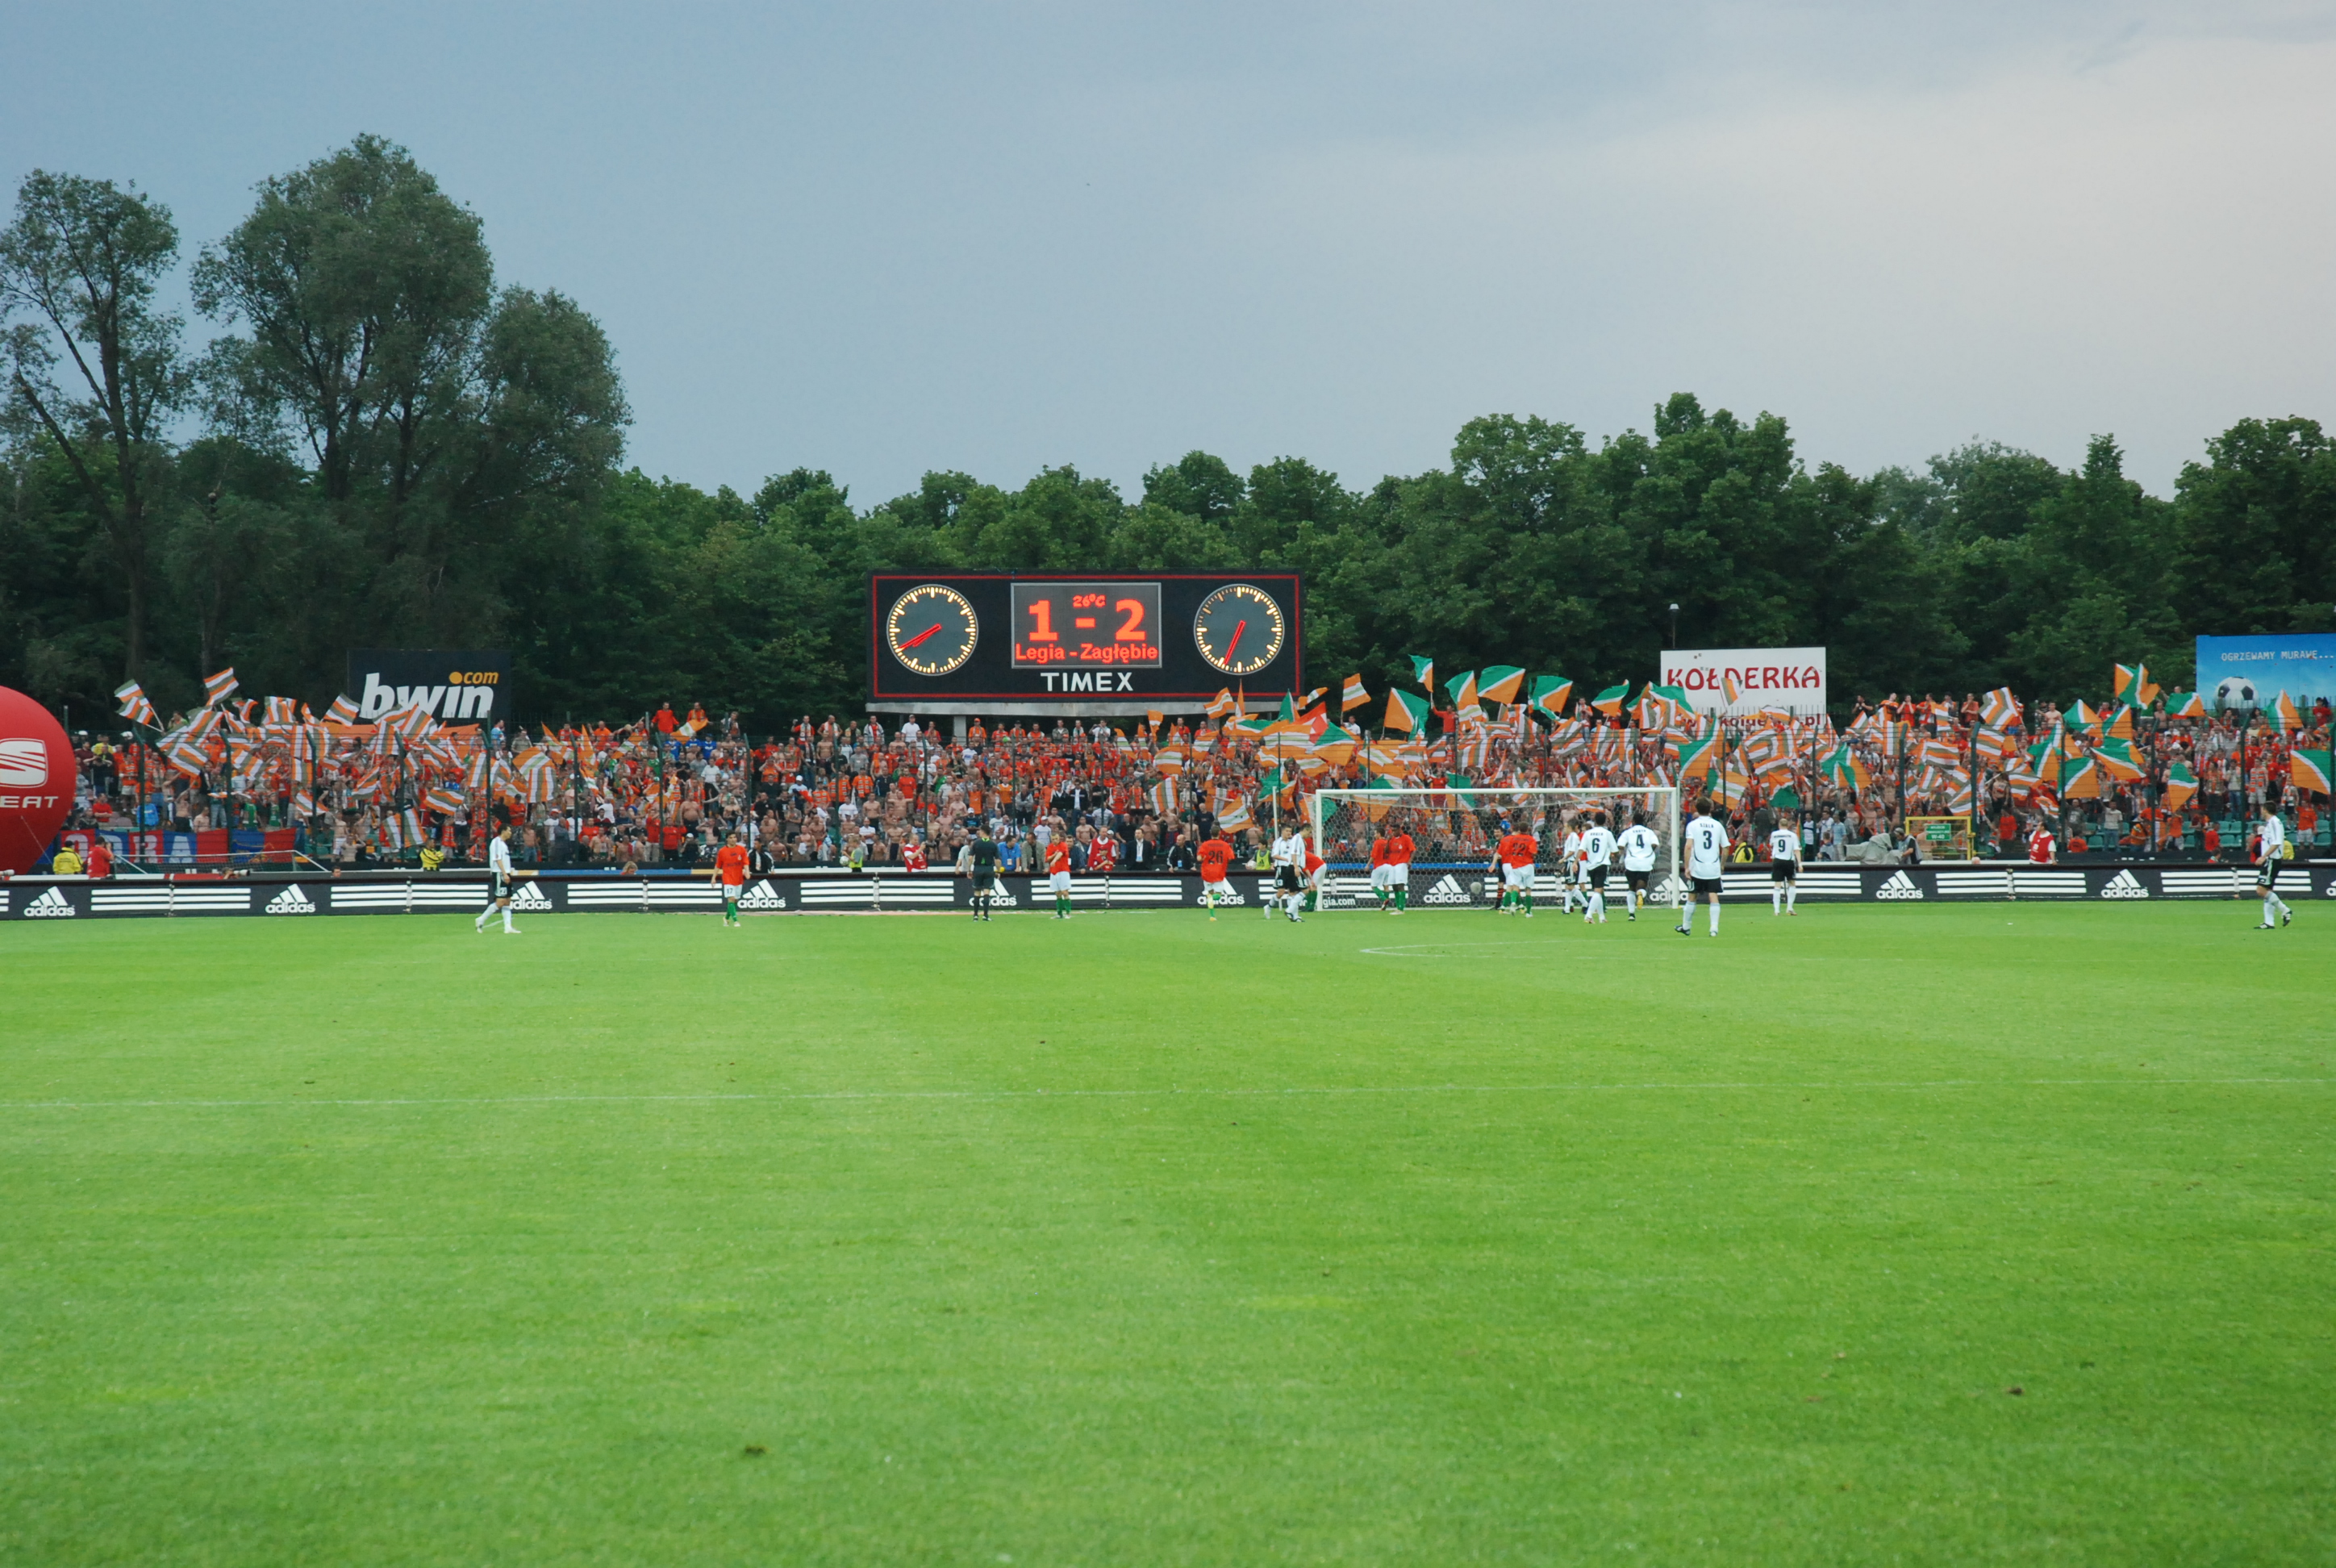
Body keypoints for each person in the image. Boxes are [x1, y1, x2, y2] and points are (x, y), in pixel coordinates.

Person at [1676, 798, 1728, 937]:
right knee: (1713, 895)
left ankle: (1686, 926)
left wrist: (1687, 867)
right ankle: (1714, 929)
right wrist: (1722, 865)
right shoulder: (1717, 825)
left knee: (1692, 896)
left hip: (1697, 868)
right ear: (1711, 809)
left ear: (1696, 809)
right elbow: (1726, 847)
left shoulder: (1693, 825)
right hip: (1713, 867)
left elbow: (1688, 846)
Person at [474, 823, 522, 935]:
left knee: (507, 901)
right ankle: (481, 919)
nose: (510, 833)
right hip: (499, 873)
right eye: (509, 830)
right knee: (501, 901)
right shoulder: (496, 842)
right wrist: (504, 874)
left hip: (506, 873)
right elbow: (497, 859)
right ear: (503, 831)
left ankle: (508, 927)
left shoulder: (503, 844)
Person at [2255, 803, 2294, 930]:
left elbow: (2277, 842)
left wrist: (2264, 856)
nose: (2261, 811)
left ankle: (2285, 910)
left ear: (2265, 810)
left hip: (2272, 859)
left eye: (2262, 809)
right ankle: (2269, 922)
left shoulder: (2275, 822)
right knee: (2268, 890)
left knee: (2261, 890)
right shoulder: (2271, 823)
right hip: (2271, 860)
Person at [1617, 811, 1662, 920]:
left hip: (1632, 862)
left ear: (1633, 821)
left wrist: (1625, 851)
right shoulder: (1649, 832)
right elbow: (1655, 844)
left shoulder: (1628, 832)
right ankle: (1641, 893)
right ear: (1644, 821)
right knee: (1642, 885)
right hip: (1645, 862)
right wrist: (1648, 852)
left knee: (1631, 888)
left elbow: (1620, 845)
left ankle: (1631, 914)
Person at [1493, 819, 1537, 916]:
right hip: (1527, 865)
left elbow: (1507, 851)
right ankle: (1528, 912)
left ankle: (1513, 903)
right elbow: (1533, 852)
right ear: (1528, 829)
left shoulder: (1512, 839)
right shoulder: (1531, 839)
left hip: (1515, 865)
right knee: (1528, 889)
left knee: (1514, 886)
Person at [1578, 811, 1616, 924]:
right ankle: (1589, 915)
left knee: (1598, 890)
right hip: (1602, 864)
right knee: (1598, 892)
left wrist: (1575, 862)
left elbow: (1581, 849)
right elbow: (1615, 850)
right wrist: (1614, 855)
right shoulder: (1607, 833)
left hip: (1591, 865)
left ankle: (1601, 917)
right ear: (1605, 821)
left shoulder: (1588, 833)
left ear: (1594, 821)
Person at [1270, 821, 1306, 922]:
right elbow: (1274, 855)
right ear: (1282, 832)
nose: (1289, 833)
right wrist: (1285, 859)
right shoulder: (1278, 842)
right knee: (1281, 892)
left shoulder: (1293, 841)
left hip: (1291, 868)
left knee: (1292, 891)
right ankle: (1269, 906)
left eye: (1290, 831)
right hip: (1282, 868)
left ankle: (1293, 915)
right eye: (1287, 831)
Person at [1196, 831, 1236, 920]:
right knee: (1217, 895)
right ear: (1219, 833)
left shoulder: (1205, 844)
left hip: (1207, 872)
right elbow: (1231, 857)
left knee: (1210, 894)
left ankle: (1212, 916)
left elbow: (1199, 858)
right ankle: (1211, 902)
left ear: (1211, 833)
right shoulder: (1225, 845)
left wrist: (1204, 857)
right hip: (1218, 872)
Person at [1767, 813, 1800, 915]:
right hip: (1789, 861)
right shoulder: (1793, 835)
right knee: (1792, 883)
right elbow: (1796, 850)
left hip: (1777, 860)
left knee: (1777, 885)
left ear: (1779, 825)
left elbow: (1771, 845)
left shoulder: (1774, 834)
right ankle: (1789, 908)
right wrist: (1800, 864)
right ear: (1788, 825)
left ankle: (1777, 910)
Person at [715, 832, 749, 927]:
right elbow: (718, 865)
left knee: (735, 901)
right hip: (727, 878)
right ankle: (736, 921)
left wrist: (747, 871)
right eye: (731, 838)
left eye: (734, 837)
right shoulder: (722, 851)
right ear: (727, 839)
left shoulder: (741, 849)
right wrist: (714, 878)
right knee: (731, 898)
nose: (733, 839)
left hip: (738, 878)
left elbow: (745, 862)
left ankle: (726, 918)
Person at [968, 825, 1001, 920]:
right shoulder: (993, 844)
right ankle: (985, 915)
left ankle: (975, 915)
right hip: (989, 869)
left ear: (982, 832)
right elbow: (998, 860)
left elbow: (970, 858)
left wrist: (969, 869)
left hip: (978, 869)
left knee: (977, 892)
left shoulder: (976, 843)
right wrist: (998, 871)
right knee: (987, 892)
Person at [1383, 819, 1416, 912]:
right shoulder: (1392, 839)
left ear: (1399, 830)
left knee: (1400, 885)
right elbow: (1386, 852)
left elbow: (1413, 850)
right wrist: (1388, 841)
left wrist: (1409, 861)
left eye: (1394, 831)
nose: (1393, 832)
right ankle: (1398, 907)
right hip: (1392, 864)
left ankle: (1401, 909)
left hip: (1401, 864)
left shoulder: (1406, 838)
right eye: (1392, 831)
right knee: (1394, 886)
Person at [1559, 813, 1585, 915]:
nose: (1564, 829)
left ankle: (1585, 904)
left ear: (1570, 827)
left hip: (1572, 862)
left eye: (1565, 827)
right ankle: (1567, 908)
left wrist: (1563, 859)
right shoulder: (1571, 836)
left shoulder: (1573, 837)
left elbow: (1572, 851)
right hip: (1569, 863)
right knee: (1568, 887)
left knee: (1570, 887)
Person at [1045, 832, 1074, 920]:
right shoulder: (1050, 847)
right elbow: (1048, 858)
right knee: (1057, 893)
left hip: (1063, 871)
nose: (1055, 841)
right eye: (1053, 839)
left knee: (1065, 892)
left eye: (1056, 839)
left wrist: (1054, 860)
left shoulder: (1063, 845)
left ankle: (1068, 913)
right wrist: (1054, 856)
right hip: (1054, 872)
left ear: (1059, 838)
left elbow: (1060, 853)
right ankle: (1059, 913)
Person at [1367, 827, 1396, 911]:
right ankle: (1384, 906)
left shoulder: (1377, 842)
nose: (1374, 835)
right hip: (1389, 866)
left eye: (1375, 833)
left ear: (1379, 834)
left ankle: (1384, 899)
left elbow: (1373, 856)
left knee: (1374, 886)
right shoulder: (1387, 842)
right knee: (1386, 886)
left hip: (1379, 866)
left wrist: (1368, 865)